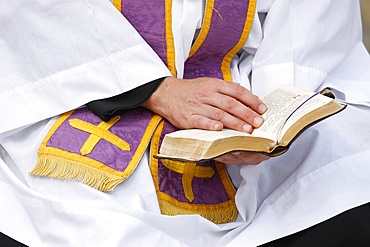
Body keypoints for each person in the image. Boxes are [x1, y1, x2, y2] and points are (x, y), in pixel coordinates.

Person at [1, 0, 370, 246]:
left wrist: (272, 115)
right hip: (84, 84)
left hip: (240, 82)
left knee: (343, 175)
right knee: (95, 224)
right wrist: (155, 89)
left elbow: (308, 19)